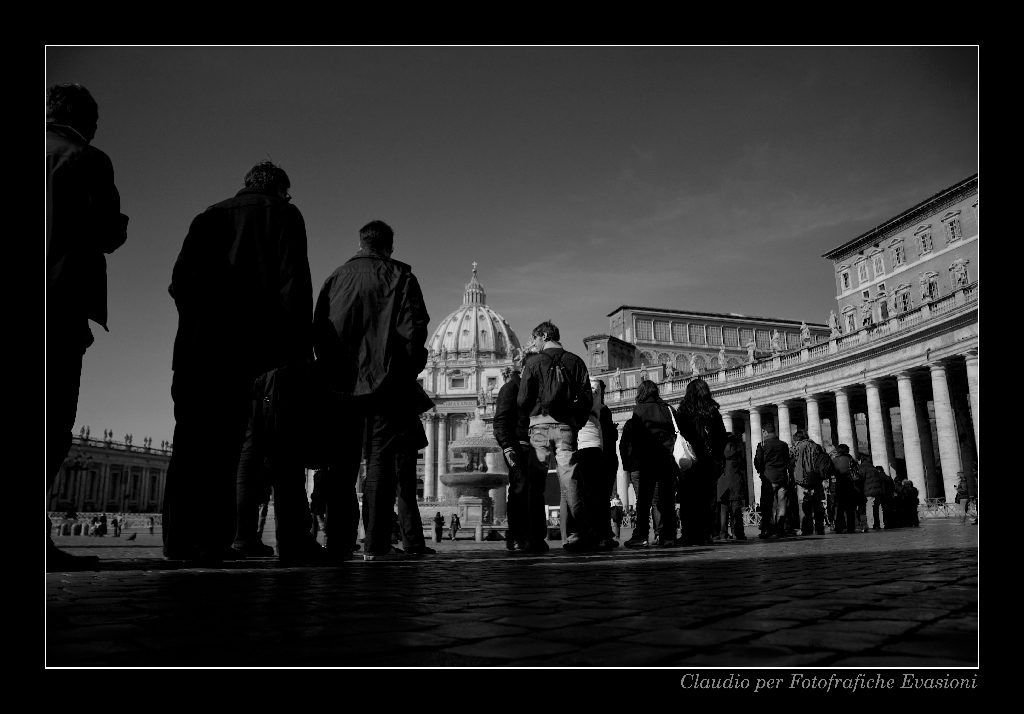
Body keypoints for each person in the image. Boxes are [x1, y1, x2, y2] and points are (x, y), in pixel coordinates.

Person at [165, 160, 315, 566]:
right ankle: (216, 541)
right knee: (236, 446)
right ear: (281, 190)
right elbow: (293, 285)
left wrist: (203, 320)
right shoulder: (283, 214)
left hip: (198, 350)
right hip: (252, 351)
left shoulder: (208, 215)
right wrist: (298, 352)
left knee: (191, 445)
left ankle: (180, 542)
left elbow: (178, 283)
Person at [46, 83, 128, 571]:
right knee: (52, 419)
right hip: (56, 302)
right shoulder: (86, 158)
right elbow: (106, 232)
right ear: (88, 121)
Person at [313, 221, 430, 562]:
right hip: (386, 383)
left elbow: (320, 329)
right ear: (389, 246)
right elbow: (414, 331)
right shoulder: (401, 277)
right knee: (379, 462)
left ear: (360, 242)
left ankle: (338, 542)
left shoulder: (335, 277)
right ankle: (377, 545)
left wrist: (330, 372)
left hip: (341, 384)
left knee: (343, 463)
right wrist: (406, 372)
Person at [517, 321, 593, 551]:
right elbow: (587, 398)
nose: (535, 344)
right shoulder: (575, 361)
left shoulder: (533, 362)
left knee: (536, 483)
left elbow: (522, 399)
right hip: (566, 427)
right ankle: (576, 534)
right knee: (570, 481)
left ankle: (535, 538)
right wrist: (575, 423)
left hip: (539, 427)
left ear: (543, 336)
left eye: (536, 339)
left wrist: (528, 419)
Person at [494, 350, 548, 553]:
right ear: (525, 368)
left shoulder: (538, 389)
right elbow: (500, 421)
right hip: (518, 446)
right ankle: (516, 536)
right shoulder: (510, 388)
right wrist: (507, 446)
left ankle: (536, 536)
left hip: (538, 445)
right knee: (519, 491)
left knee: (537, 492)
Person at [618, 380, 679, 548]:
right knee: (666, 500)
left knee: (644, 502)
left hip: (646, 460)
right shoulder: (668, 409)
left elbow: (636, 438)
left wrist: (632, 462)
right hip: (667, 459)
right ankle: (669, 536)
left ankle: (641, 535)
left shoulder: (639, 410)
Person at [675, 378, 729, 546]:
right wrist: (718, 456)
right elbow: (722, 437)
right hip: (708, 461)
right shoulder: (712, 411)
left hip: (690, 460)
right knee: (707, 500)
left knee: (688, 499)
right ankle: (705, 534)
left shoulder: (682, 411)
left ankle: (688, 534)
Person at [576, 378, 619, 550]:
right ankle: (603, 534)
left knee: (590, 496)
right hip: (602, 455)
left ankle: (593, 534)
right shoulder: (602, 410)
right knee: (600, 498)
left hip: (591, 451)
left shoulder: (590, 409)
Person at [754, 422, 795, 538]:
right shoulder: (783, 444)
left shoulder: (762, 445)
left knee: (767, 505)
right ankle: (780, 528)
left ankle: (767, 529)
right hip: (782, 477)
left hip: (769, 477)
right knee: (782, 505)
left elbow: (758, 461)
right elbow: (788, 460)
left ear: (765, 432)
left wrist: (762, 473)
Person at [790, 430, 831, 536]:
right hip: (817, 478)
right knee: (817, 504)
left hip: (802, 479)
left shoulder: (797, 447)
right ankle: (819, 528)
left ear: (797, 439)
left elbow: (789, 459)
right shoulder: (817, 446)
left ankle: (806, 529)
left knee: (804, 504)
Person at [716, 432, 748, 540]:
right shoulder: (737, 452)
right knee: (736, 510)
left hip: (723, 483)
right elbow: (742, 466)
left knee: (723, 510)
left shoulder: (720, 452)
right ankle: (738, 533)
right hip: (735, 482)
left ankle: (723, 534)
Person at [830, 444, 861, 534]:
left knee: (840, 507)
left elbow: (831, 472)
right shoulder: (850, 459)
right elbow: (857, 471)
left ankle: (839, 527)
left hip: (839, 485)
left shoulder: (834, 460)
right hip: (850, 484)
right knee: (850, 508)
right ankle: (851, 527)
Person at [859, 454, 885, 530]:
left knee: (870, 507)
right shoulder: (873, 467)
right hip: (877, 490)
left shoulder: (862, 468)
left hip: (869, 490)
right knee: (878, 507)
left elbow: (860, 477)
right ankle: (881, 523)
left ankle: (871, 524)